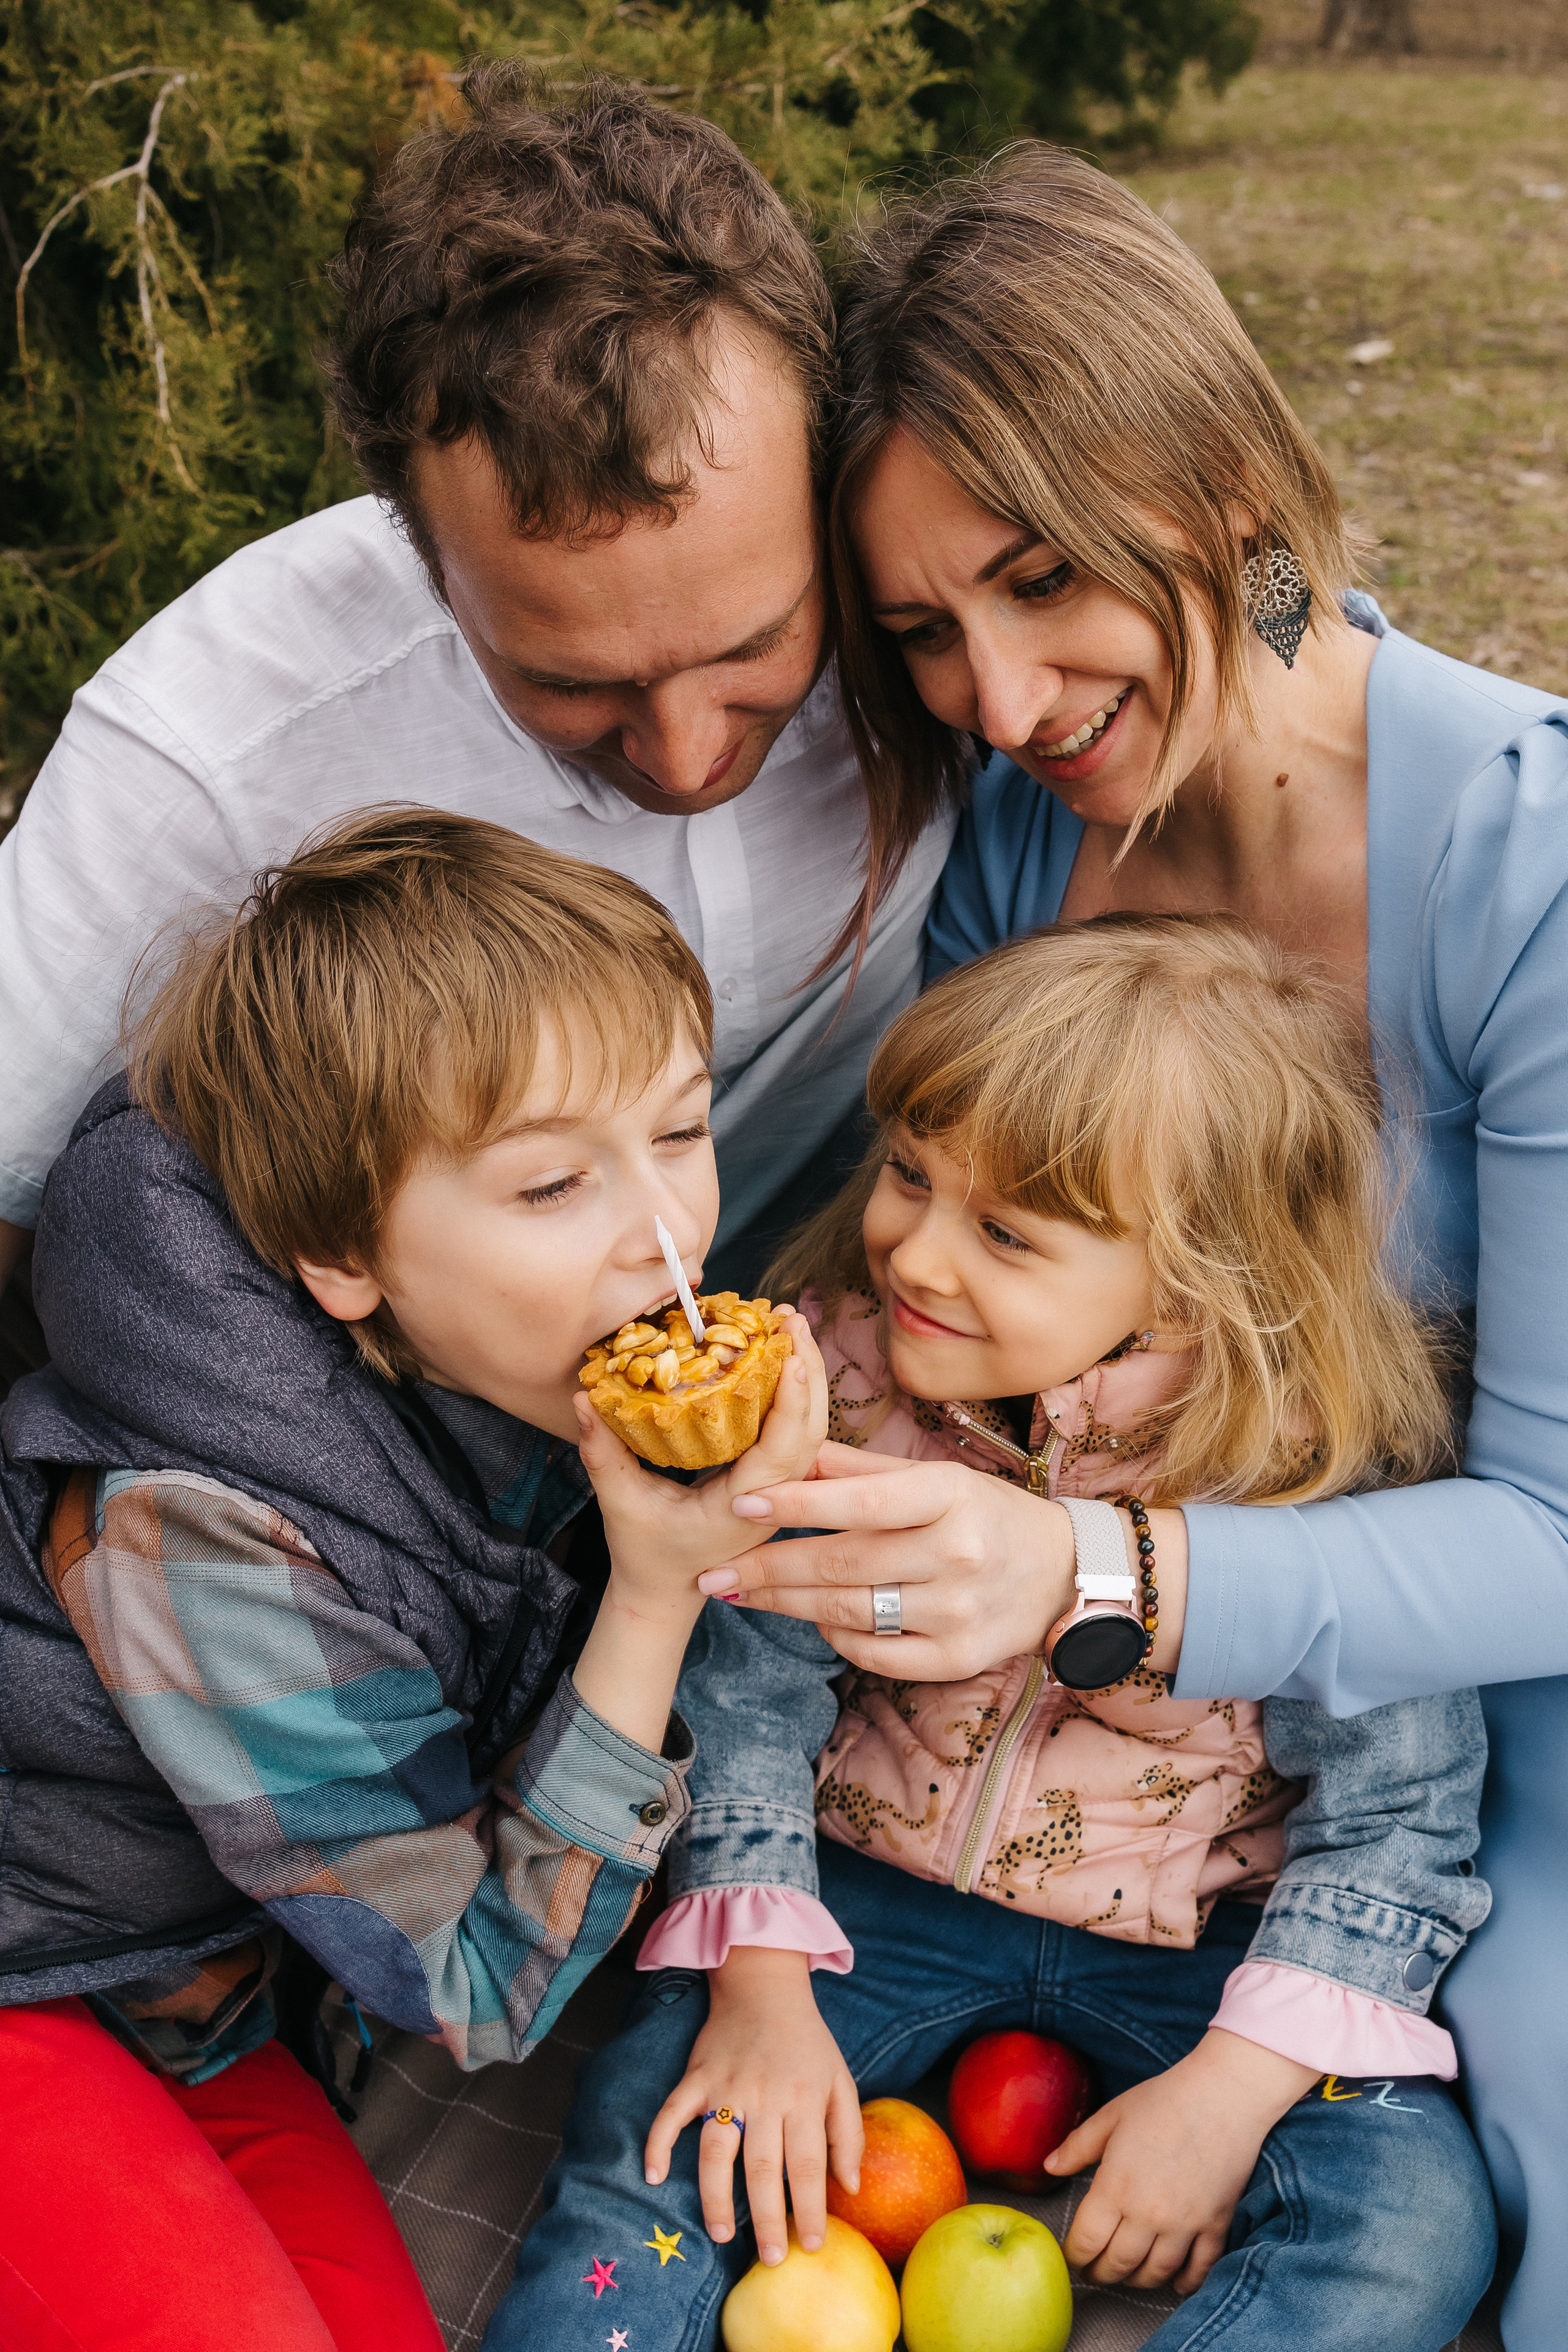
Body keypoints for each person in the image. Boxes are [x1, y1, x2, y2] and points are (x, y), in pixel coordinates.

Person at [682, 149, 1568, 2347]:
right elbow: (924, 1319)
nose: (995, 698)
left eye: (1043, 576)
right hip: (1086, 1762)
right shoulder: (1020, 843)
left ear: (1221, 475)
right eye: (920, 634)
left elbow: (1554, 1533)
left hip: (1477, 1709)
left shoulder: (1525, 872)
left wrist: (1105, 1583)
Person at [490, 914, 1496, 2352]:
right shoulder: (826, 1376)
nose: (915, 1249)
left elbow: (1399, 1816)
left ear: (1200, 1274)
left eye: (1006, 1232)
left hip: (1202, 1951)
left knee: (1411, 2220)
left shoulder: (1313, 1467)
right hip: (856, 1908)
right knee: (665, 2133)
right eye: (908, 1171)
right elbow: (750, 1693)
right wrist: (762, 1996)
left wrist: (1229, 2089)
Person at [0, 807, 829, 2351]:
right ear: (339, 1256)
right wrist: (649, 1602)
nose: (665, 1241)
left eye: (677, 1131)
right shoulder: (193, 1534)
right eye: (545, 1189)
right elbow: (470, 1986)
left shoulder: (504, 1372)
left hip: (187, 2000)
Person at [0, 69, 953, 1307]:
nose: (681, 755)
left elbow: (1235, 599)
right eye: (567, 682)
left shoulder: (921, 591)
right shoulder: (207, 747)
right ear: (419, 556)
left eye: (748, 650)